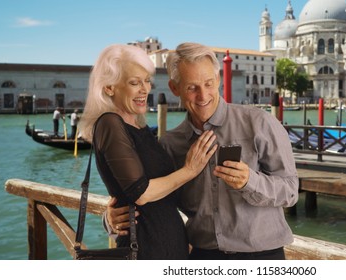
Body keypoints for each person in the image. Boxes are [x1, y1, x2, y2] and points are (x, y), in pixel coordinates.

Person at [106, 42, 299, 260]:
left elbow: (291, 191)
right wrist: (111, 219)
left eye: (208, 83)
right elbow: (150, 200)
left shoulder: (259, 123)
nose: (203, 95)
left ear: (218, 79)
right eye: (192, 87)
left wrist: (249, 182)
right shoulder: (170, 144)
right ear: (174, 88)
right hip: (201, 257)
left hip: (263, 257)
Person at [77, 44, 217, 259]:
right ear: (109, 88)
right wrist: (190, 169)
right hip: (145, 250)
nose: (145, 89)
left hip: (171, 247)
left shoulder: (139, 127)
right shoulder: (110, 123)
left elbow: (158, 193)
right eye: (134, 82)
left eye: (146, 80)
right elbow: (140, 193)